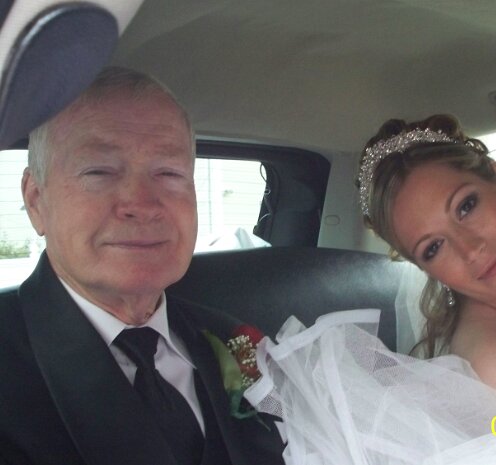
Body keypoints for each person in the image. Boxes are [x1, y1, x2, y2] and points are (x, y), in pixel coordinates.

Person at [242, 114, 496, 464]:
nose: (471, 249)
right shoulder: (495, 354)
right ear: (426, 270)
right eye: (433, 248)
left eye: (466, 206)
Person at [0, 66, 284, 465]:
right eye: (98, 171)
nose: (142, 204)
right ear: (35, 200)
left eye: (168, 173)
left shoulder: (238, 341)